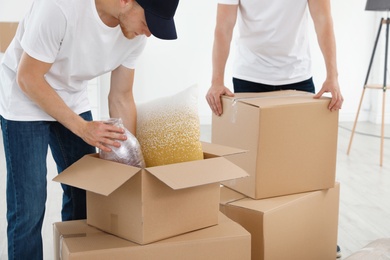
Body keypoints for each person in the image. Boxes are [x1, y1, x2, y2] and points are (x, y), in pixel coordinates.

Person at [0, 0, 179, 258]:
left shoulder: (135, 34)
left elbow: (121, 97)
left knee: (85, 193)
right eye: (148, 22)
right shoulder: (59, 7)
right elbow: (27, 77)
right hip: (25, 98)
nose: (149, 32)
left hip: (71, 95)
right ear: (126, 2)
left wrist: (131, 163)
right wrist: (84, 129)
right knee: (29, 207)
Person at [205, 0, 343, 258]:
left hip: (298, 77)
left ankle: (313, 232)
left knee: (305, 168)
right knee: (246, 171)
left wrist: (332, 76)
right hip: (249, 77)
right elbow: (223, 26)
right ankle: (251, 234)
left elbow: (323, 19)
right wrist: (216, 80)